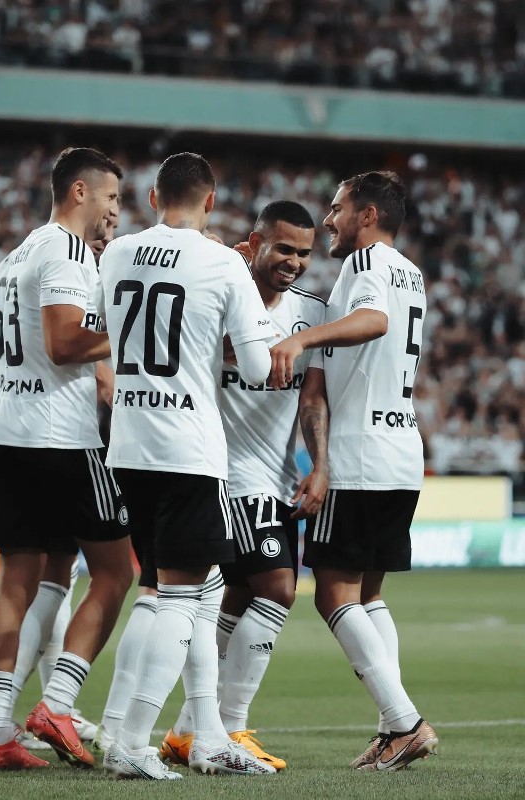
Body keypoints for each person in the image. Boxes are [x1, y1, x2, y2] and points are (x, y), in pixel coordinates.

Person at [96, 151, 277, 779]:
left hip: (129, 444)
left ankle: (205, 737)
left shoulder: (116, 253)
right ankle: (133, 742)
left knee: (192, 589)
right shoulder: (224, 262)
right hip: (188, 449)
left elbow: (109, 330)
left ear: (152, 198)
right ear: (211, 201)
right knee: (179, 596)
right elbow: (257, 368)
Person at [0, 146, 133, 771]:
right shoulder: (65, 251)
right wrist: (130, 334)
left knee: (25, 581)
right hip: (62, 442)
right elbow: (63, 344)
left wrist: (18, 380)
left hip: (11, 438)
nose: (116, 209)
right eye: (111, 196)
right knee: (116, 572)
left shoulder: (19, 253)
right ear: (80, 191)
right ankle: (58, 703)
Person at [269, 170, 438, 771]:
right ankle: (391, 728)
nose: (328, 220)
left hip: (361, 453)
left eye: (337, 208)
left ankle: (405, 723)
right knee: (368, 595)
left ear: (367, 215)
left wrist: (301, 339)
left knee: (333, 593)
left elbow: (374, 322)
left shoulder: (365, 264)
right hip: (400, 452)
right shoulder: (410, 272)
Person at [159, 200, 329, 771]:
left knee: (236, 597)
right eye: (283, 248)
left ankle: (187, 731)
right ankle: (230, 727)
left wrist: (319, 464)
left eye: (303, 253)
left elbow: (311, 398)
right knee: (279, 590)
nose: (294, 262)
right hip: (228, 472)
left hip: (277, 477)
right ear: (254, 243)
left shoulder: (311, 314)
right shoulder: (218, 293)